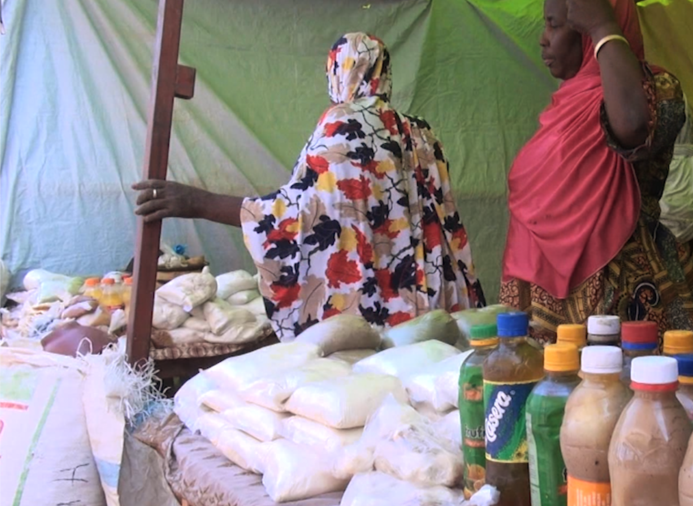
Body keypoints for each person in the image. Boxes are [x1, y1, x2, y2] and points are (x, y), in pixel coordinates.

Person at [134, 33, 485, 338]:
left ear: (336, 71)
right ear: (385, 72)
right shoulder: (422, 132)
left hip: (379, 319)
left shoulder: (342, 123)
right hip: (440, 305)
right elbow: (444, 223)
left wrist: (197, 203)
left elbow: (299, 215)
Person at [499, 0, 693, 343]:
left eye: (554, 25)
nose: (543, 39)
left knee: (616, 393)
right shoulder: (566, 105)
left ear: (587, 35)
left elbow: (632, 125)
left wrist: (603, 26)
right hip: (547, 292)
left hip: (621, 296)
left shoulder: (656, 90)